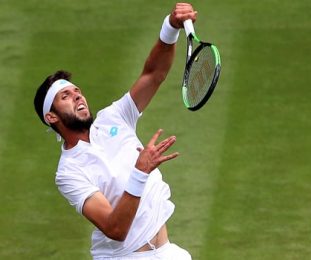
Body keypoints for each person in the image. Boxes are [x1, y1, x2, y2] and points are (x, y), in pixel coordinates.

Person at [33, 3, 196, 259]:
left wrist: (170, 27)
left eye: (77, 91)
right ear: (51, 116)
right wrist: (140, 172)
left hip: (166, 252)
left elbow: (153, 74)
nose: (78, 97)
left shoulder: (113, 117)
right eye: (66, 96)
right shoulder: (68, 172)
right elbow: (114, 228)